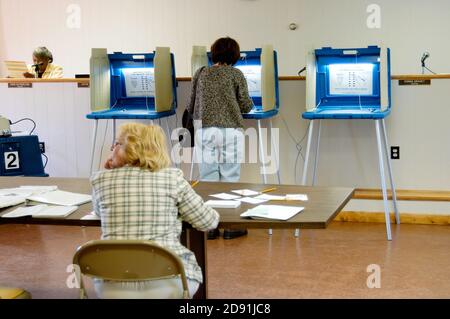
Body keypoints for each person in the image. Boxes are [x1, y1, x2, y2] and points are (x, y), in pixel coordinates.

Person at [90, 123, 219, 299]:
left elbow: (98, 213)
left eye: (116, 144)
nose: (112, 149)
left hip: (112, 285)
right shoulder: (172, 178)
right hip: (167, 282)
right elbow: (208, 222)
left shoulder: (100, 180)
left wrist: (113, 172)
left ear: (125, 149)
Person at [187, 37, 253, 240]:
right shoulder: (236, 74)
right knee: (229, 177)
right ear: (235, 55)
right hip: (230, 130)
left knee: (208, 178)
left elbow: (191, 105)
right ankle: (230, 227)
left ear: (213, 53)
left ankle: (210, 227)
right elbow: (245, 105)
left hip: (205, 130)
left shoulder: (201, 73)